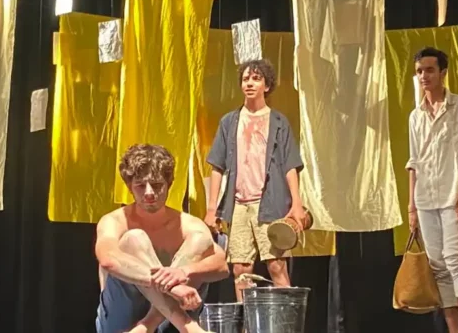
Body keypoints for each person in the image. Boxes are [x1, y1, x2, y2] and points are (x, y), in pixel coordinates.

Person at [95, 144, 229, 333]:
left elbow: (222, 265)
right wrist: (172, 287)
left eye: (157, 185)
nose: (149, 192)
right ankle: (188, 327)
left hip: (165, 321)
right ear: (129, 187)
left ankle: (147, 325)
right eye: (141, 186)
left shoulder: (188, 224)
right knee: (134, 239)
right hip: (124, 317)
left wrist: (184, 271)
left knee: (200, 240)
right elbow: (108, 259)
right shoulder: (115, 220)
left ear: (169, 184)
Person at [203, 58, 306, 302]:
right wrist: (211, 208)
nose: (249, 83)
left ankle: (284, 319)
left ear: (266, 86)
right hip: (239, 205)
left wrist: (297, 203)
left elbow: (290, 165)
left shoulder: (278, 122)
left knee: (276, 265)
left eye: (256, 79)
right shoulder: (229, 122)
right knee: (241, 269)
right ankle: (247, 320)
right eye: (246, 79)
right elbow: (217, 166)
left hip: (269, 202)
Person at [405, 47, 458, 333]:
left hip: (453, 195)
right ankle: (454, 328)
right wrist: (411, 206)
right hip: (425, 199)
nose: (424, 76)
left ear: (443, 72)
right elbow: (414, 162)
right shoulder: (415, 116)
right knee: (437, 265)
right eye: (419, 71)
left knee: (456, 259)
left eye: (429, 70)